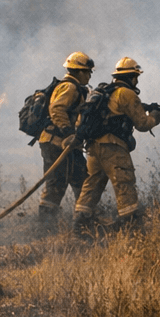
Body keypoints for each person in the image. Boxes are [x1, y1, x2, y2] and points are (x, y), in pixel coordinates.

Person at [72, 56, 160, 231]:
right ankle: (130, 225)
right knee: (124, 181)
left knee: (92, 184)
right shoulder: (126, 93)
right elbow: (142, 124)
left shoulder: (103, 93)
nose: (137, 81)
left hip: (92, 147)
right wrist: (155, 117)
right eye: (136, 77)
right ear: (132, 77)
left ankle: (80, 225)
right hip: (112, 147)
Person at [36, 51, 93, 222]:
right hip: (57, 143)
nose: (90, 75)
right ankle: (44, 225)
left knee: (81, 177)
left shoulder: (73, 87)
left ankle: (84, 219)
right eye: (88, 72)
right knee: (56, 184)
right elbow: (57, 109)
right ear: (79, 71)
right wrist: (68, 132)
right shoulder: (70, 87)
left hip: (64, 143)